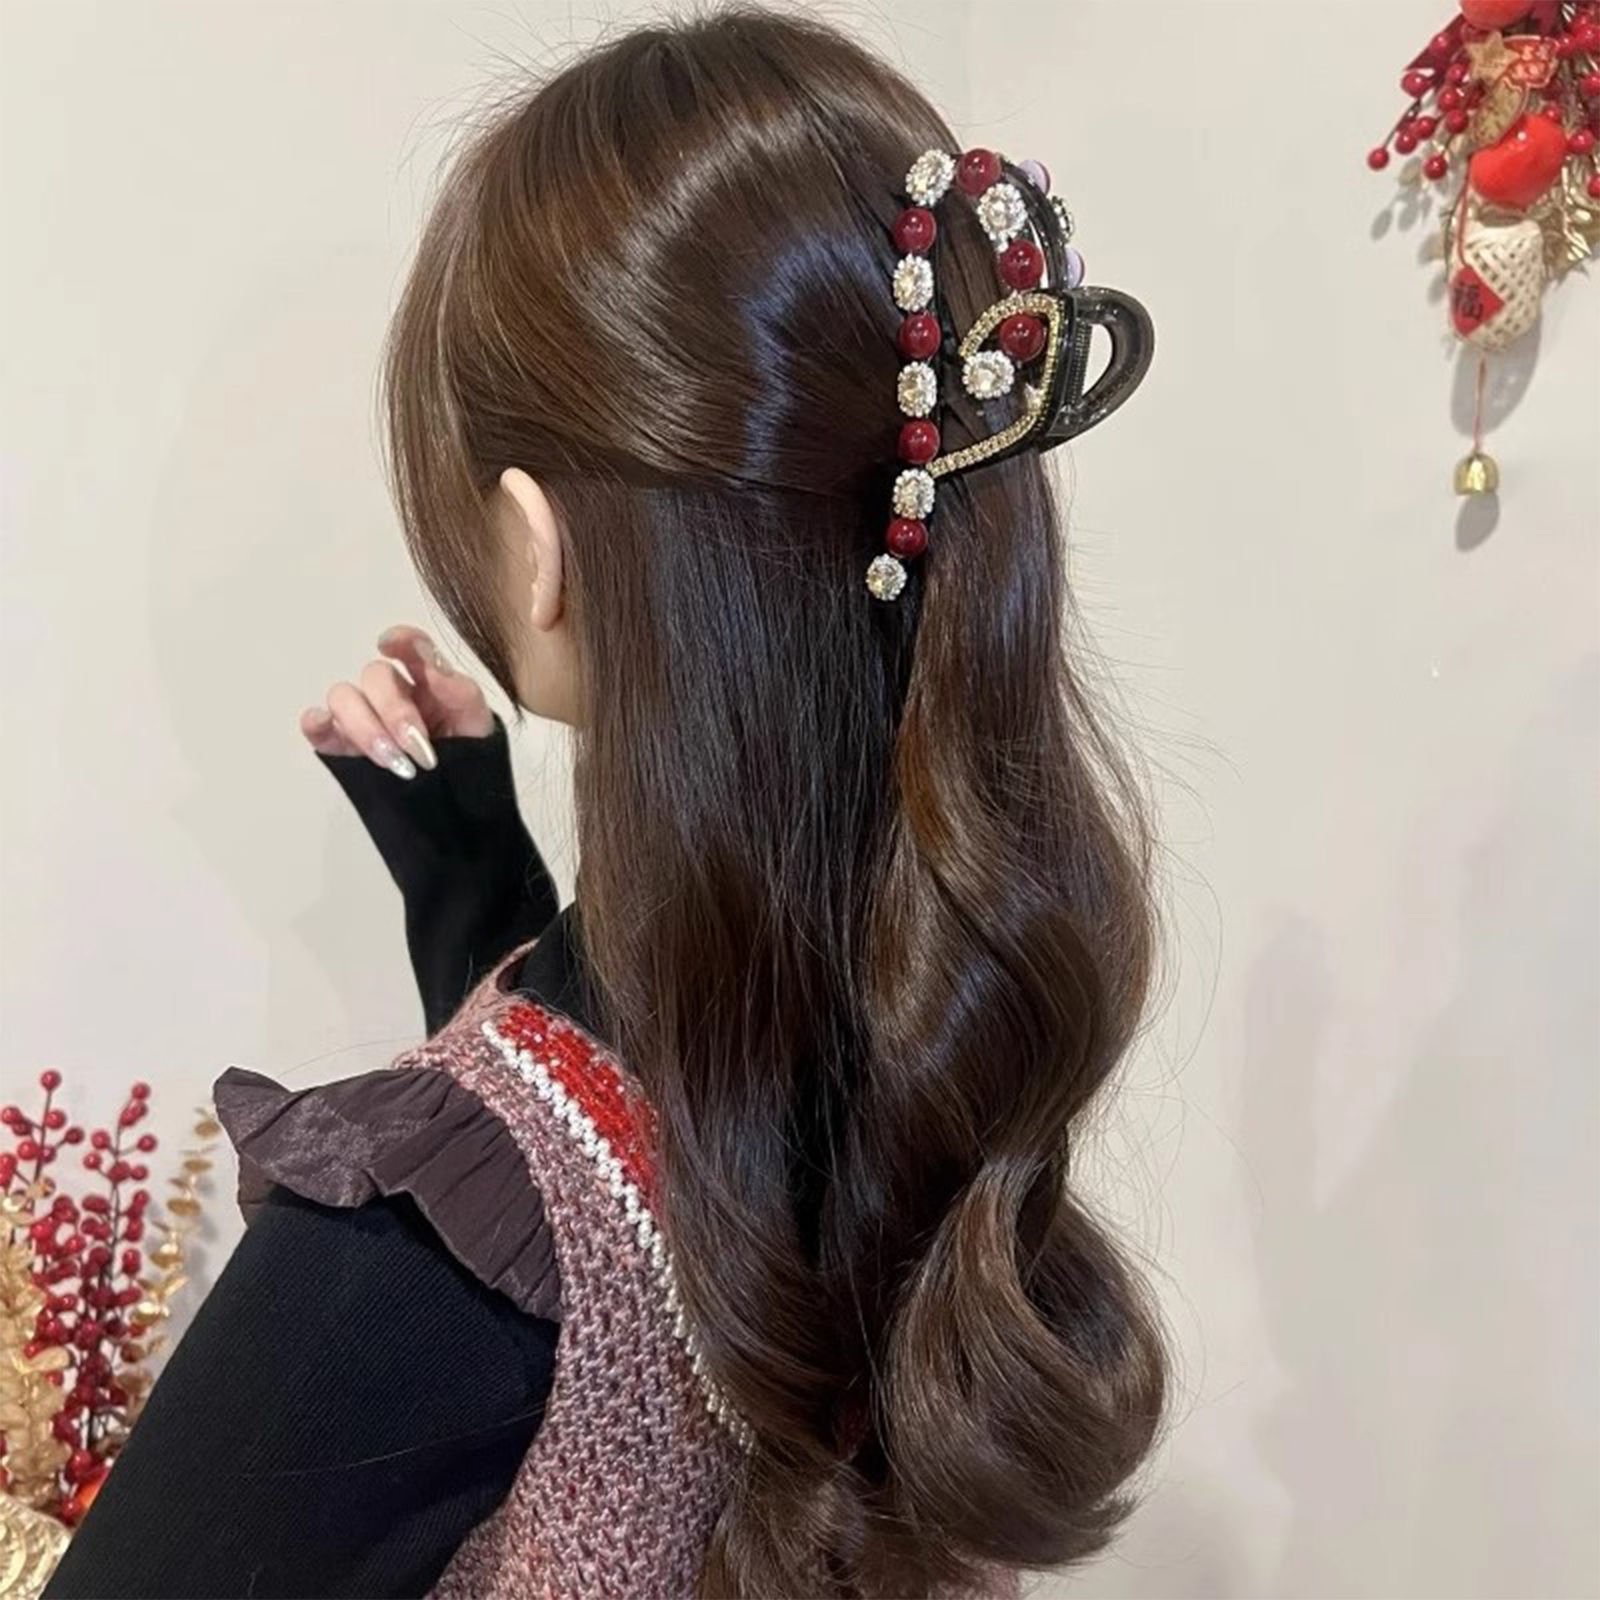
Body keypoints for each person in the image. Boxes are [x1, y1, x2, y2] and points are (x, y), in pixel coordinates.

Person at [46, 8, 1167, 1597]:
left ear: (537, 547)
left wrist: (449, 1116)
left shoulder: (394, 1265)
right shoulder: (939, 1025)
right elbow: (646, 1253)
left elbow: (569, 1274)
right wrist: (473, 889)